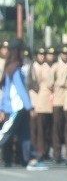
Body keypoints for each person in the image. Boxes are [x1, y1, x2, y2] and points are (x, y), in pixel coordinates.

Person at [1, 40, 34, 168]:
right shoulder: (14, 69)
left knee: (25, 134)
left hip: (18, 107)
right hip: (16, 107)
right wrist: (29, 106)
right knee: (5, 134)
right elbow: (20, 90)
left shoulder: (12, 66)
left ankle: (29, 158)